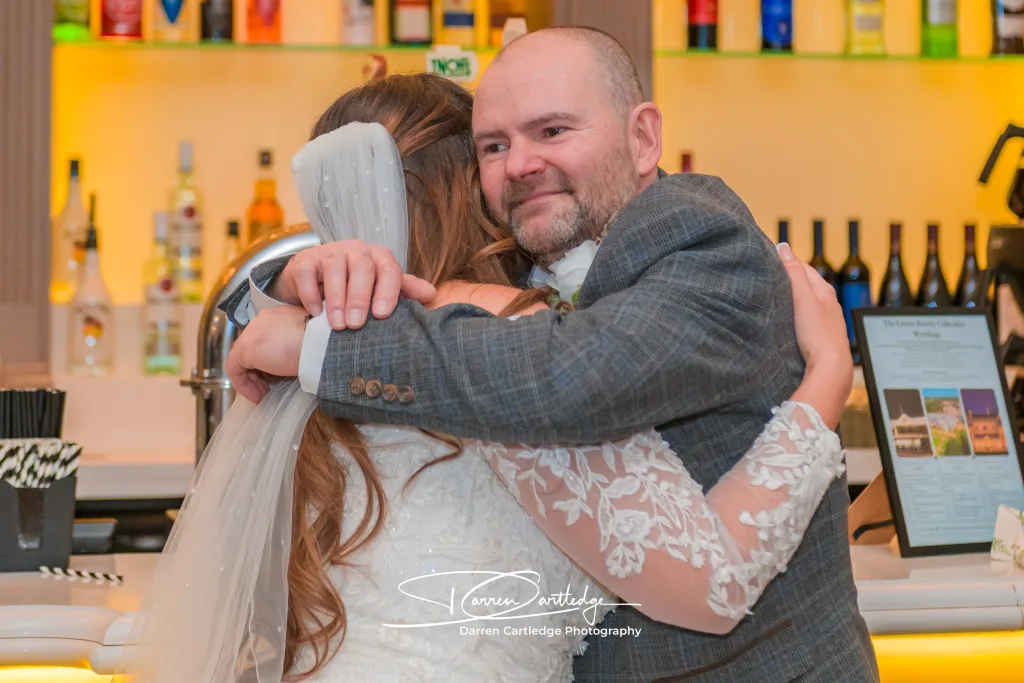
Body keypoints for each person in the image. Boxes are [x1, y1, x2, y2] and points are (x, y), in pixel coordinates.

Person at [223, 30, 878, 683]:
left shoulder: (696, 237)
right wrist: (306, 283)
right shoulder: (481, 317)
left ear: (644, 138)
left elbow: (573, 377)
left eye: (553, 130)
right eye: (495, 146)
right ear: (468, 188)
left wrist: (318, 338)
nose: (520, 165)